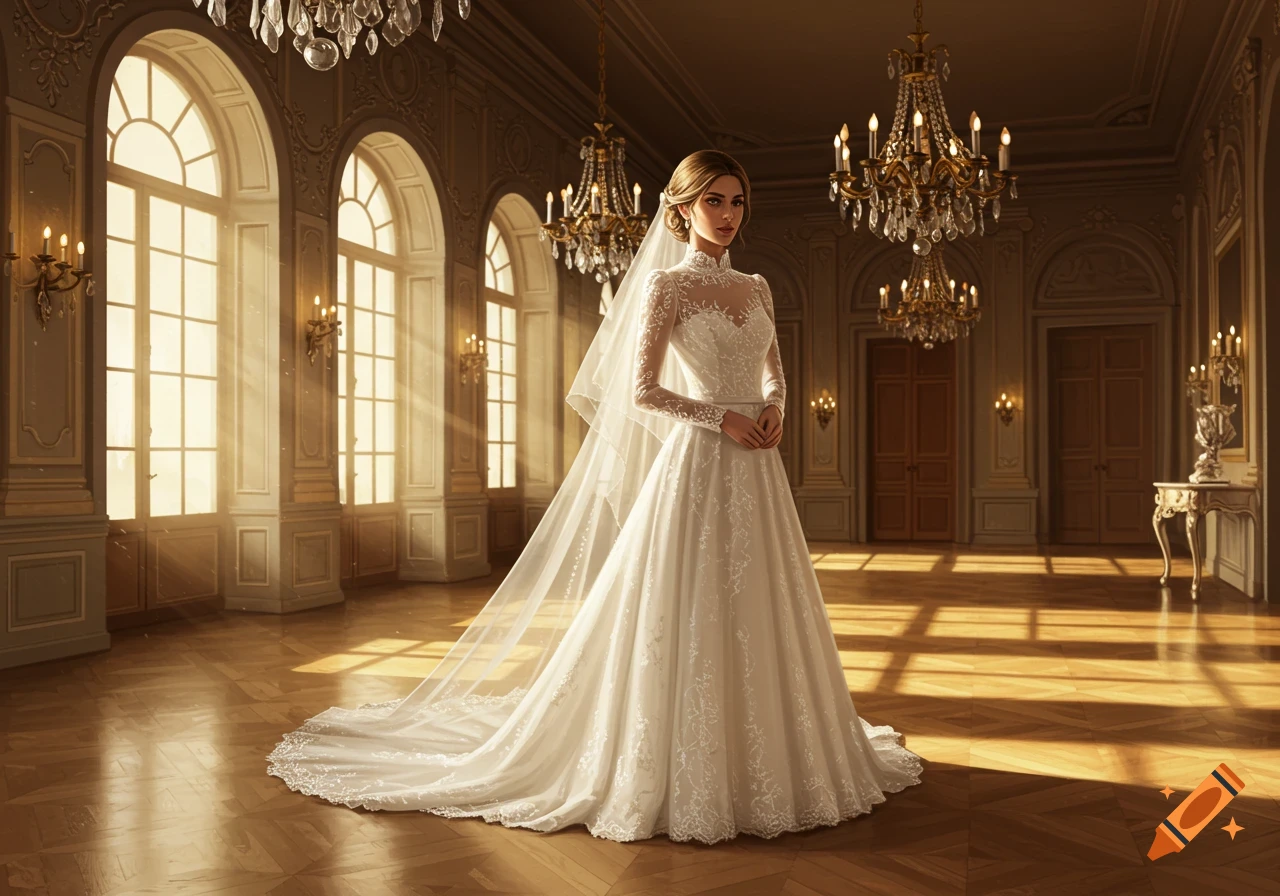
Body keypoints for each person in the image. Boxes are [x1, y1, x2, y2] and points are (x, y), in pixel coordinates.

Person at [268, 150, 923, 844]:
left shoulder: (758, 288)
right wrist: (719, 416)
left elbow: (775, 373)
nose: (728, 215)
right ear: (682, 210)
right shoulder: (667, 287)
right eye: (713, 202)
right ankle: (671, 758)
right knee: (691, 601)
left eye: (736, 202)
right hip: (699, 463)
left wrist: (774, 409)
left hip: (755, 471)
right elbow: (641, 390)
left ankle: (776, 752)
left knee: (763, 597)